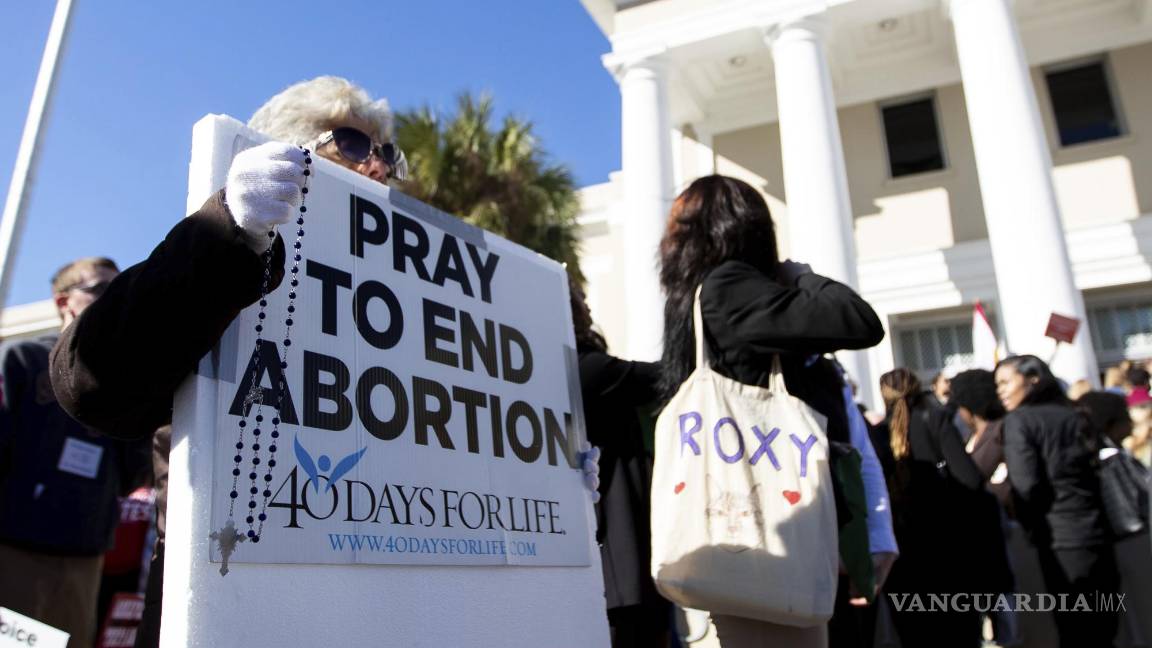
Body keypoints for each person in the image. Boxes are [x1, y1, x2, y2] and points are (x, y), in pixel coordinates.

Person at [50, 77, 407, 648]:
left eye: (386, 151)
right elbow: (92, 382)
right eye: (352, 144)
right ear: (286, 150)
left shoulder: (393, 307)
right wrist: (229, 231)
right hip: (226, 602)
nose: (378, 166)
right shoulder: (217, 260)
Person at [656, 175, 891, 647]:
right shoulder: (730, 286)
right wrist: (802, 274)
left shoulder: (699, 297)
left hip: (743, 528)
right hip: (771, 536)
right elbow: (859, 319)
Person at [0, 257, 150, 648]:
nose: (113, 298)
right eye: (99, 289)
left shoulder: (123, 379)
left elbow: (134, 471)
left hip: (86, 555)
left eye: (119, 289)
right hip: (14, 549)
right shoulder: (22, 359)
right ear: (63, 301)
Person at [875, 368, 1009, 648]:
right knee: (958, 633)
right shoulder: (934, 420)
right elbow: (969, 479)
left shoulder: (877, 434)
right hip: (949, 546)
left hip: (902, 551)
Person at [570, 279, 671, 647]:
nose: (588, 306)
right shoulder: (586, 367)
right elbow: (660, 377)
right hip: (619, 562)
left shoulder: (576, 365)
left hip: (620, 562)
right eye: (580, 298)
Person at [996, 355, 1119, 648]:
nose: (1000, 391)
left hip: (1059, 539)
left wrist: (1029, 525)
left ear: (1033, 379)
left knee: (1075, 629)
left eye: (1005, 382)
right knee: (1103, 628)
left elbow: (1026, 484)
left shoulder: (1019, 421)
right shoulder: (1076, 413)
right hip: (1098, 531)